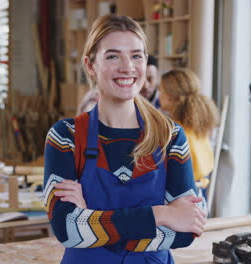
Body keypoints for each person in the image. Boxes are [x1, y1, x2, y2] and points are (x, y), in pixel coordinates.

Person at [43, 15, 206, 263]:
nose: (127, 66)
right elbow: (66, 229)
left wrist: (91, 219)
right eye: (112, 56)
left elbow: (185, 231)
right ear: (90, 65)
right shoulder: (65, 136)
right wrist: (160, 214)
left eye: (136, 55)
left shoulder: (170, 136)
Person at [159, 69, 219, 193]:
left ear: (169, 97)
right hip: (199, 189)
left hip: (184, 194)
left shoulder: (175, 131)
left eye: (160, 90)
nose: (158, 94)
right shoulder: (195, 124)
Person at [77, 54, 160, 115]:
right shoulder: (95, 100)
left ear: (157, 78)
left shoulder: (165, 104)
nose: (145, 85)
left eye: (150, 79)